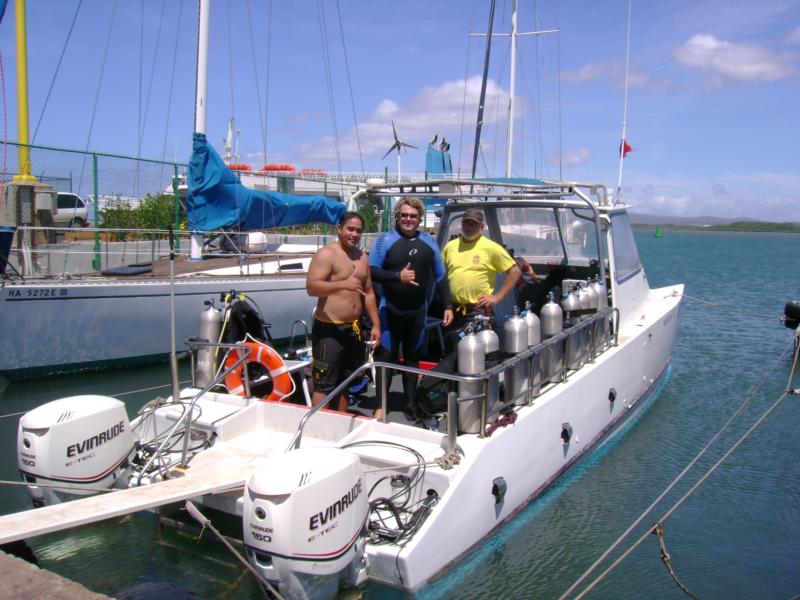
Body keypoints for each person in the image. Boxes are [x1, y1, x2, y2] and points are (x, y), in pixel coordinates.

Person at [369, 198, 454, 419]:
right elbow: (372, 271)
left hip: (417, 312)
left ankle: (410, 403)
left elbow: (441, 276)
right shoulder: (385, 240)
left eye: (413, 216)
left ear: (419, 218)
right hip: (389, 310)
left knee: (412, 358)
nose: (408, 219)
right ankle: (381, 406)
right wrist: (398, 276)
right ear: (397, 216)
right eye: (404, 215)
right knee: (385, 357)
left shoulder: (429, 242)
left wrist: (448, 305)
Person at [306, 211, 380, 412]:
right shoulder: (327, 254)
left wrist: (376, 324)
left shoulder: (362, 257)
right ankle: (320, 428)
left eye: (358, 231)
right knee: (324, 384)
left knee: (346, 381)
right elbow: (312, 288)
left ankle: (340, 424)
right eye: (350, 229)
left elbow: (369, 293)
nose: (354, 234)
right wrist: (342, 284)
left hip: (353, 329)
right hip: (329, 330)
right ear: (339, 229)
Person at [442, 207, 521, 332]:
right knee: (456, 347)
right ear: (461, 224)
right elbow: (442, 275)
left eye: (474, 224)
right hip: (454, 309)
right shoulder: (450, 246)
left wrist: (498, 297)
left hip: (478, 309)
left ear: (481, 226)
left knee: (478, 349)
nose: (469, 227)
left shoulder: (491, 247)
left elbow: (515, 272)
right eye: (466, 223)